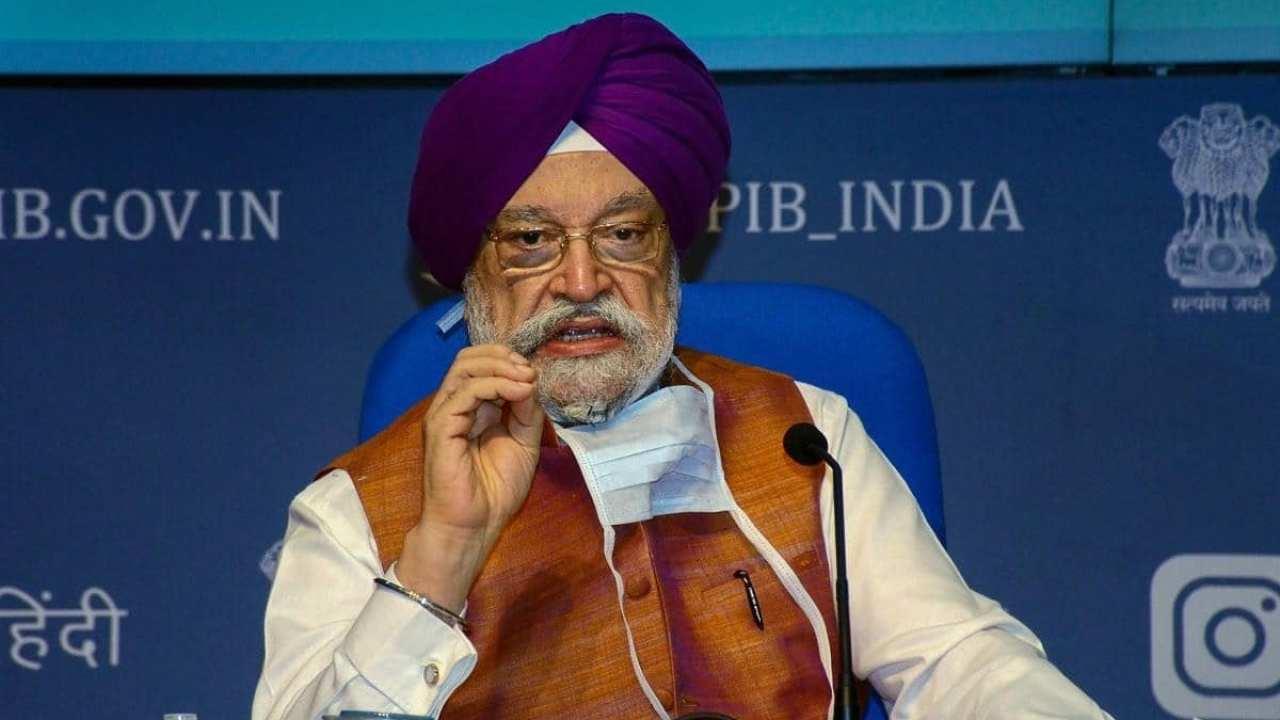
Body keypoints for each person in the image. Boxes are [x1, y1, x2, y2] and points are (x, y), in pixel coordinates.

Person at [253, 13, 1113, 720]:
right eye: (531, 241)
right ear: (470, 273)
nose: (582, 281)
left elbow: (960, 663)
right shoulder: (356, 513)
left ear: (672, 253)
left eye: (624, 234)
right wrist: (441, 559)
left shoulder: (803, 437)